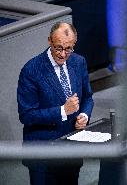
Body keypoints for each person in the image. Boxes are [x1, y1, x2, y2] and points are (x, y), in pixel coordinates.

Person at [17, 22, 94, 185]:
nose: (63, 54)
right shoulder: (31, 70)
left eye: (68, 49)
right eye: (58, 48)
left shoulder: (78, 62)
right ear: (49, 41)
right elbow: (26, 115)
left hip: (72, 151)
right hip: (43, 155)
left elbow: (88, 97)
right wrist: (62, 111)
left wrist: (84, 115)